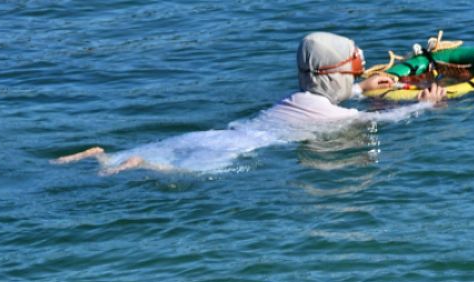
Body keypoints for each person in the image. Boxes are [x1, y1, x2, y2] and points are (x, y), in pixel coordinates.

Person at [52, 31, 446, 175]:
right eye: (354, 70)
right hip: (234, 149)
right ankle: (141, 166)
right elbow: (387, 123)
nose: (358, 75)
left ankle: (99, 156)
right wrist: (424, 105)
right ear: (331, 75)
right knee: (168, 170)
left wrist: (361, 90)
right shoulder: (335, 118)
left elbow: (329, 99)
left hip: (217, 135)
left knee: (120, 158)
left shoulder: (295, 99)